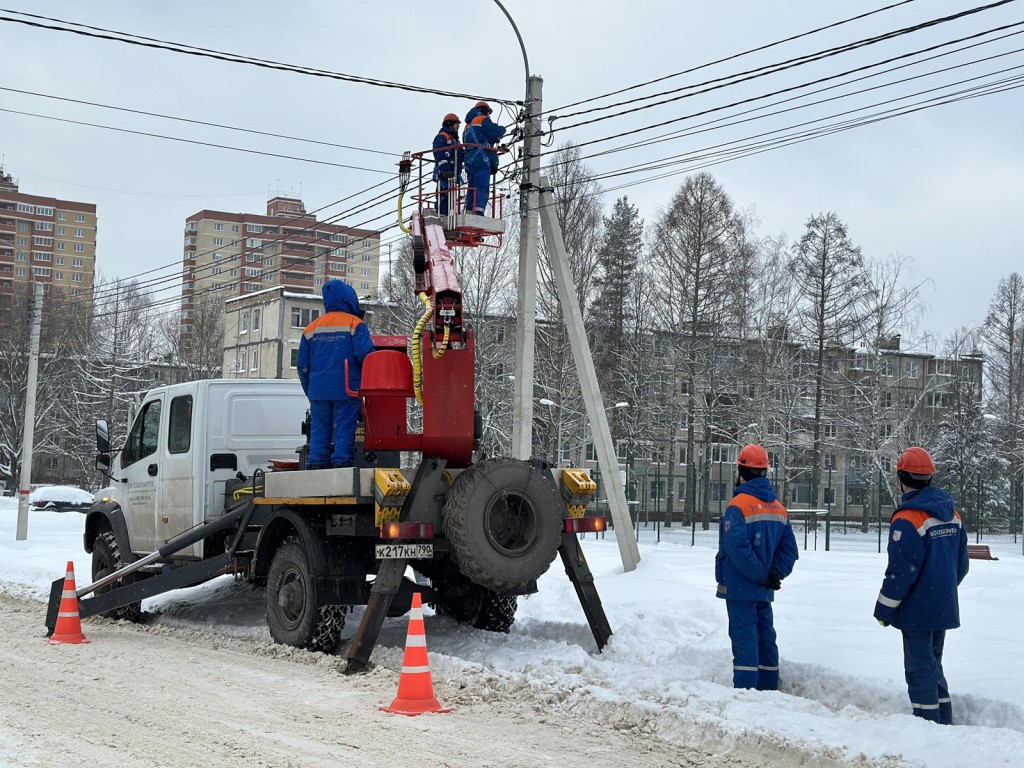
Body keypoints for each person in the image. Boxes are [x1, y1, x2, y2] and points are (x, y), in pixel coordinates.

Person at [874, 446, 969, 724]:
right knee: (933, 665)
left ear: (901, 476)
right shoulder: (953, 515)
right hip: (943, 606)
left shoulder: (907, 518)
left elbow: (900, 573)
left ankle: (928, 727)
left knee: (919, 669)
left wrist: (884, 610)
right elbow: (960, 566)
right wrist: (941, 591)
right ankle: (943, 719)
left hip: (917, 611)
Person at [715, 444, 799, 691]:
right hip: (763, 590)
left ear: (741, 470)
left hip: (741, 589)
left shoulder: (738, 506)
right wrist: (774, 575)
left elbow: (737, 549)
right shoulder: (778, 508)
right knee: (765, 639)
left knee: (744, 642)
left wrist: (762, 575)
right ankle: (769, 688)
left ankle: (746, 694)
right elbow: (790, 551)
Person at [297, 279, 374, 469]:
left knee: (319, 430)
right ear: (349, 299)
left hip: (319, 390)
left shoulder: (311, 328)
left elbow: (302, 366)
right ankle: (341, 464)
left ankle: (316, 464)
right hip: (346, 389)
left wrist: (311, 390)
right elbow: (367, 357)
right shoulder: (355, 325)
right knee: (344, 429)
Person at [462, 101, 506, 216]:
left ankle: (469, 211)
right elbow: (496, 131)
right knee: (481, 185)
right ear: (485, 111)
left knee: (472, 186)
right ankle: (478, 211)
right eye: (488, 113)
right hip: (480, 158)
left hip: (468, 159)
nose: (489, 116)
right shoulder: (482, 120)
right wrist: (502, 130)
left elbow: (472, 139)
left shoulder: (467, 126)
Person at [432, 113, 462, 216]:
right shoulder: (442, 137)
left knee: (452, 197)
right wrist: (445, 169)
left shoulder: (455, 141)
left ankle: (448, 214)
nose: (458, 126)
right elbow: (439, 154)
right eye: (456, 124)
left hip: (453, 174)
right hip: (443, 173)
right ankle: (441, 214)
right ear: (450, 124)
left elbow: (460, 156)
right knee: (443, 195)